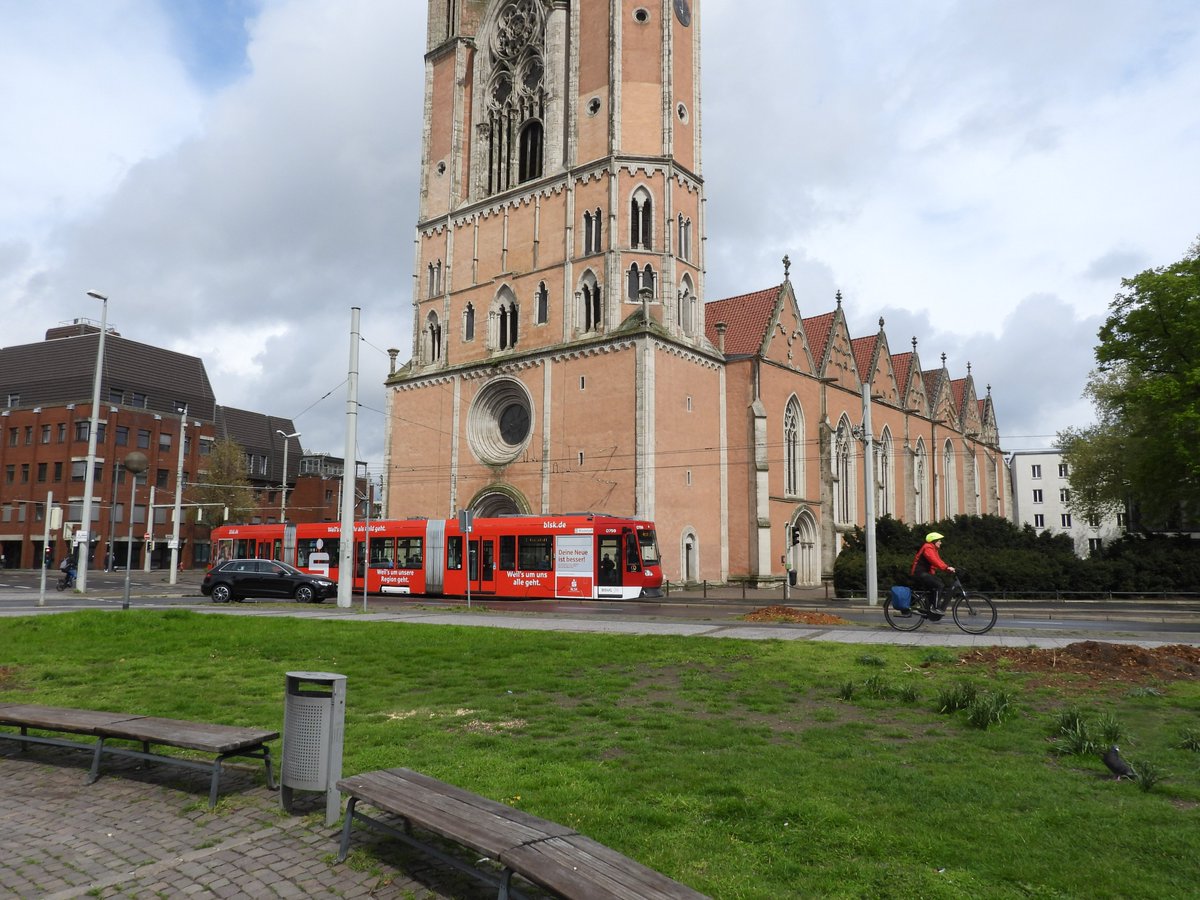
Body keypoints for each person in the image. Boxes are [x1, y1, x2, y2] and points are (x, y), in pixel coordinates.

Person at [911, 531, 954, 613]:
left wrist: (947, 568)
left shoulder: (934, 549)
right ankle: (935, 608)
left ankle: (927, 609)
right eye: (939, 541)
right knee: (939, 585)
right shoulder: (928, 547)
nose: (941, 543)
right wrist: (946, 568)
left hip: (925, 573)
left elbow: (938, 561)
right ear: (934, 541)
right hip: (919, 572)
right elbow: (934, 561)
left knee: (935, 586)